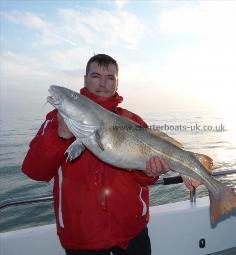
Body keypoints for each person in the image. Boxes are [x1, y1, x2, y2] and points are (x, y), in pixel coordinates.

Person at [22, 54, 197, 255]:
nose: (103, 83)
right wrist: (61, 136)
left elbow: (144, 178)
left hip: (131, 233)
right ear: (85, 79)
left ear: (117, 83)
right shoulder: (56, 121)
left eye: (110, 78)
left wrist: (150, 171)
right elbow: (35, 171)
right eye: (96, 76)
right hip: (83, 239)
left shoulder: (134, 121)